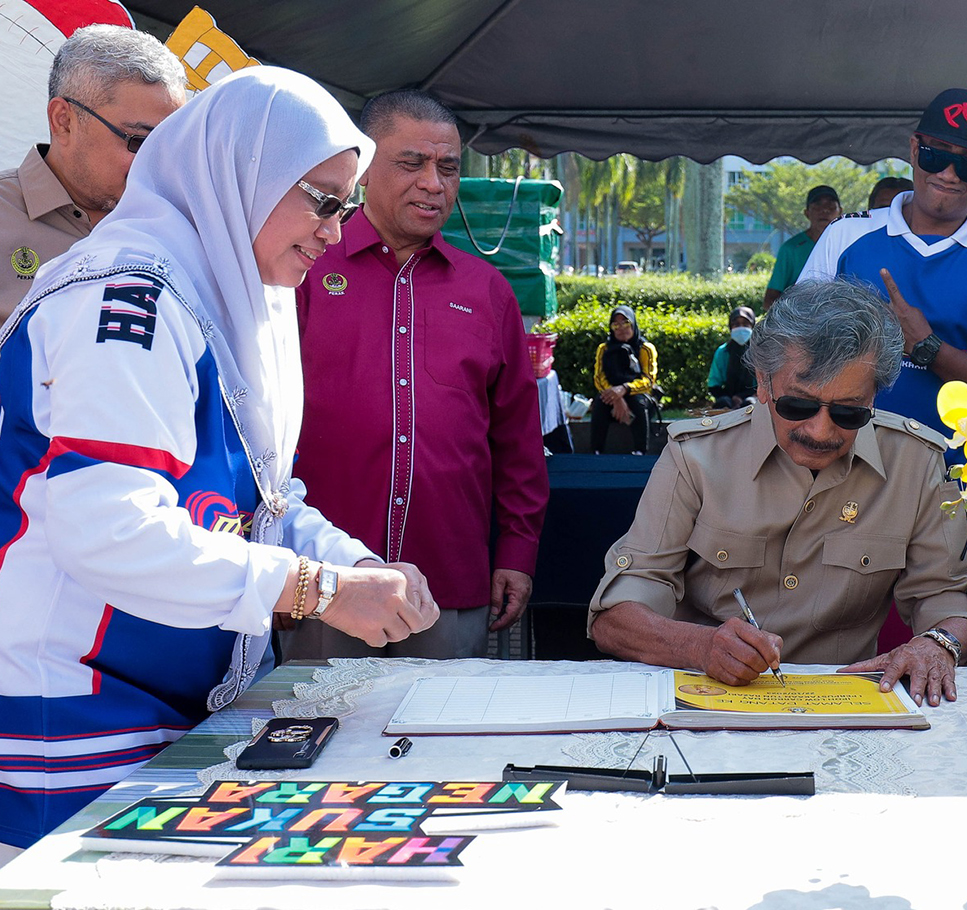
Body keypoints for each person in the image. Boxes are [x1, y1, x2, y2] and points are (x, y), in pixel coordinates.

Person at [0, 67, 439, 852]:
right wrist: (319, 587)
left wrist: (358, 564)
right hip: (69, 712)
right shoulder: (127, 299)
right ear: (242, 173)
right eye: (323, 198)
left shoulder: (222, 292)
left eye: (345, 203)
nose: (336, 231)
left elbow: (263, 501)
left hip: (158, 699)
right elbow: (110, 531)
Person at [589, 280, 967, 706]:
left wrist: (938, 644)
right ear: (763, 383)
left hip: (846, 708)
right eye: (797, 407)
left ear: (875, 394)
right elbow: (616, 616)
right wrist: (698, 646)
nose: (820, 432)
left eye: (848, 412)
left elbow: (950, 596)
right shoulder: (697, 458)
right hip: (704, 702)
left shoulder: (916, 461)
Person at [280, 90, 548, 662]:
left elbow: (518, 442)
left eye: (447, 167)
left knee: (441, 740)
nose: (434, 182)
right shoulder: (300, 269)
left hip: (449, 581)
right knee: (318, 737)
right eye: (412, 163)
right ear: (364, 166)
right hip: (324, 584)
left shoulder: (487, 291)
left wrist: (517, 554)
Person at [798, 87, 967, 536]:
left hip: (954, 479)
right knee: (837, 604)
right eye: (936, 155)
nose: (949, 174)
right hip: (843, 470)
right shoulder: (844, 238)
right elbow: (793, 350)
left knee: (942, 604)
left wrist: (928, 347)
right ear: (914, 148)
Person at [0, 24, 185, 322]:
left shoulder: (181, 228)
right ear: (64, 121)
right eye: (139, 141)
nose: (156, 164)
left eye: (171, 146)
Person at [591, 304, 659, 454]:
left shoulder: (645, 348)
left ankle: (641, 451)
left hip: (638, 393)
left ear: (633, 324)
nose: (621, 328)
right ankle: (596, 451)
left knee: (637, 402)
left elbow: (648, 381)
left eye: (625, 323)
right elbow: (599, 377)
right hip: (611, 394)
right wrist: (615, 396)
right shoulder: (604, 349)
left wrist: (625, 389)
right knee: (600, 403)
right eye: (616, 324)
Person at [764, 185, 842, 309]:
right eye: (817, 206)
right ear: (806, 213)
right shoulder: (790, 249)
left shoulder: (848, 246)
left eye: (831, 206)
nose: (825, 210)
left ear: (840, 211)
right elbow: (770, 299)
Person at [707, 305, 758, 409]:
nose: (741, 328)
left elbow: (765, 383)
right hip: (728, 398)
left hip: (753, 397)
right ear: (730, 327)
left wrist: (741, 397)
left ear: (752, 326)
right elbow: (714, 384)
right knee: (723, 403)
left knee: (750, 404)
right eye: (736, 324)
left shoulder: (759, 352)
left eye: (745, 324)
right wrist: (731, 398)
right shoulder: (723, 352)